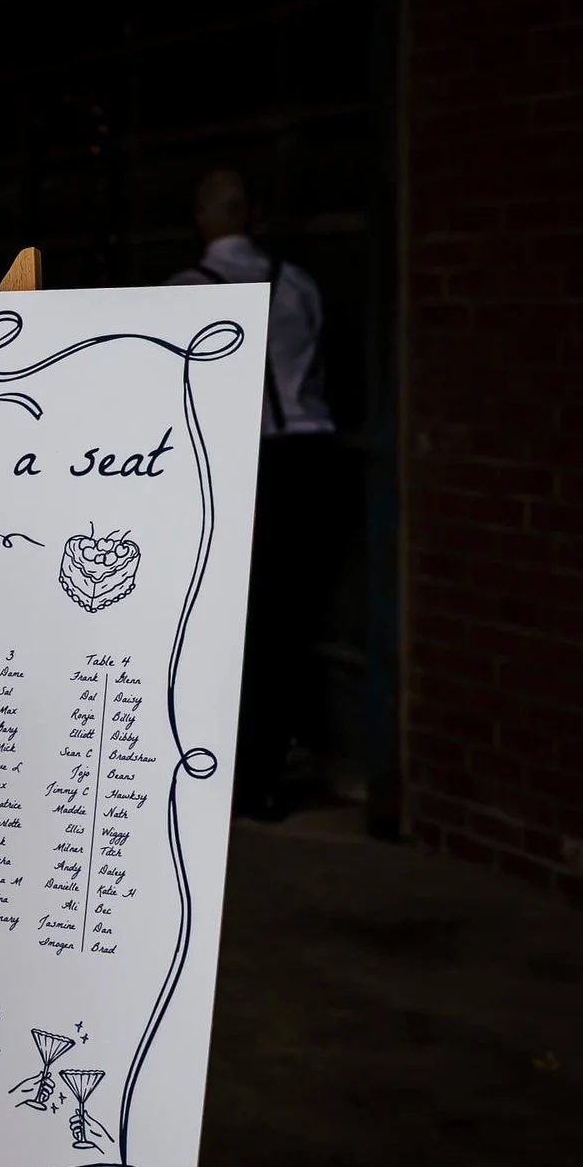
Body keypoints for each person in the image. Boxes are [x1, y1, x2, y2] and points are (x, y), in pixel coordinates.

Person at [168, 166, 338, 821]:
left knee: (237, 619)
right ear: (256, 214)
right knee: (290, 619)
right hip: (310, 456)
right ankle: (268, 770)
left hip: (246, 462)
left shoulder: (185, 292)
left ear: (203, 220)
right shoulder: (297, 283)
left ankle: (231, 770)